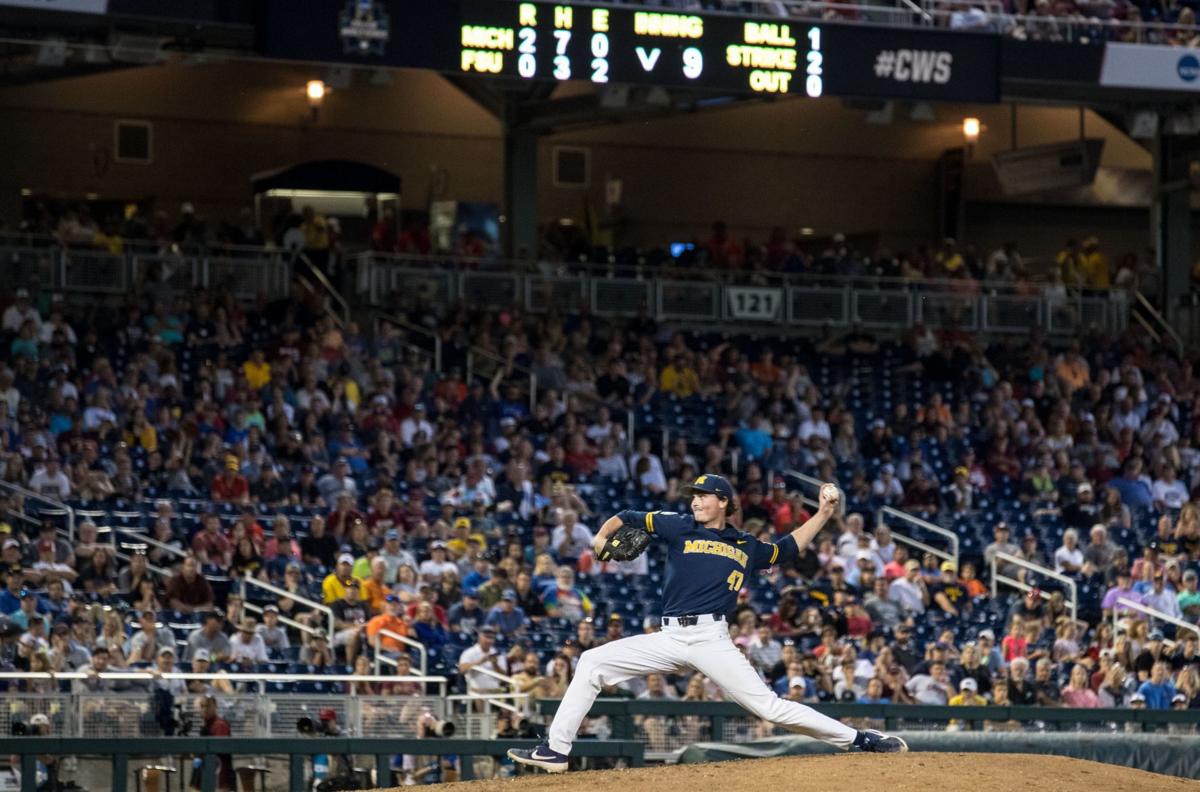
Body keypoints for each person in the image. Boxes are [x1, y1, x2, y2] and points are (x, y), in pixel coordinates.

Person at [508, 475, 906, 773]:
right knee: (592, 662)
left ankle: (859, 738)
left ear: (723, 502)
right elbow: (624, 517)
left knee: (769, 708)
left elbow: (788, 548)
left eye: (703, 496)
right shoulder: (680, 525)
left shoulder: (745, 545)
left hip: (711, 638)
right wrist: (599, 540)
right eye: (694, 496)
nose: (696, 501)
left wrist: (823, 513)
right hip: (669, 635)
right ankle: (556, 750)